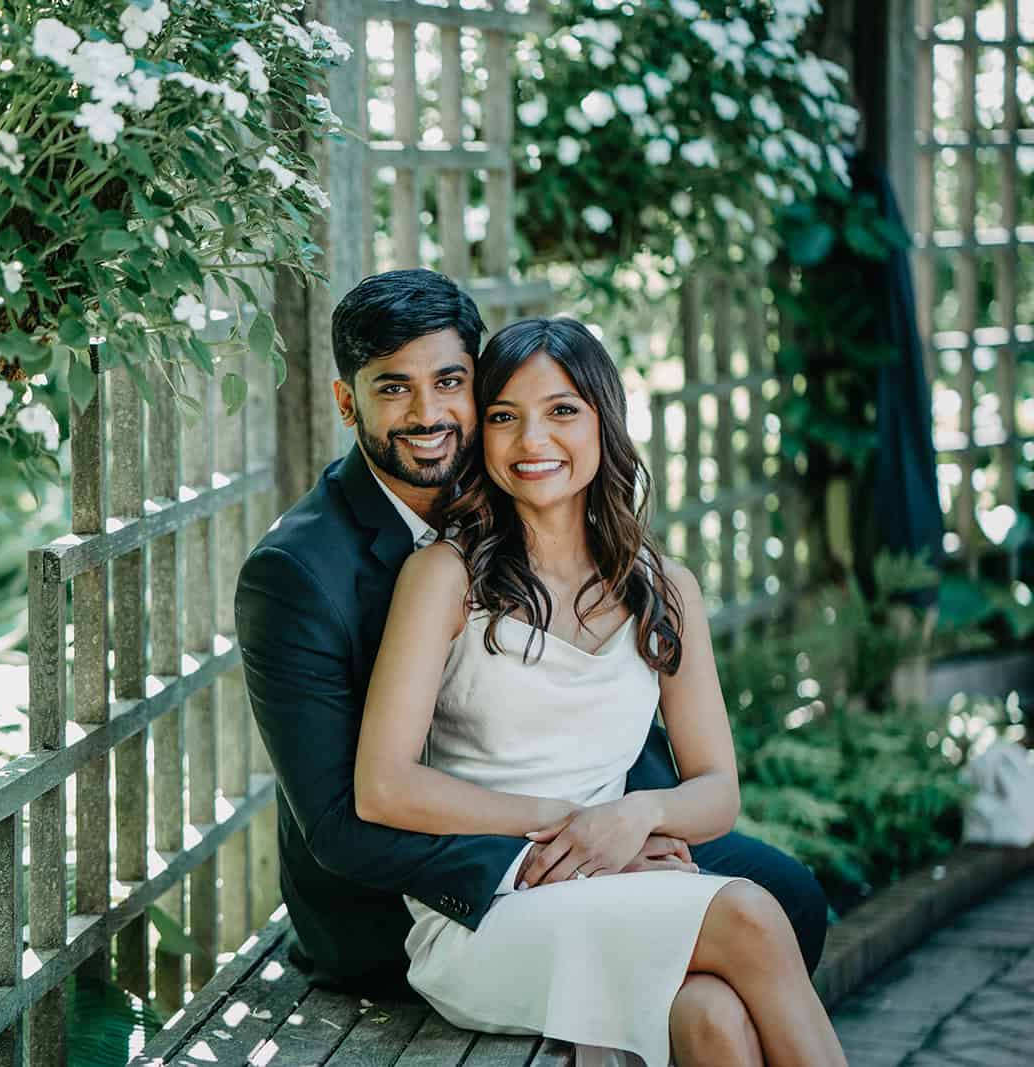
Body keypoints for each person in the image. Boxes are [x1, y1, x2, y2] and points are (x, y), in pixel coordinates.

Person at [235, 270, 828, 1004]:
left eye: (450, 381)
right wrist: (573, 848)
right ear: (347, 401)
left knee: (790, 900)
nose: (428, 413)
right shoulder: (295, 573)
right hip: (407, 892)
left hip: (585, 812)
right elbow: (340, 823)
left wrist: (631, 821)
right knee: (733, 934)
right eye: (393, 388)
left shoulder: (521, 480)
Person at [352, 315, 844, 1065]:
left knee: (713, 1017)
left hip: (612, 874)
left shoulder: (663, 589)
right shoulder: (445, 577)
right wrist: (575, 824)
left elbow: (717, 790)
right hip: (491, 907)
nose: (531, 440)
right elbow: (381, 786)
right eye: (504, 417)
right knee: (748, 911)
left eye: (561, 411)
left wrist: (632, 817)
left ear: (604, 423)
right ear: (481, 437)